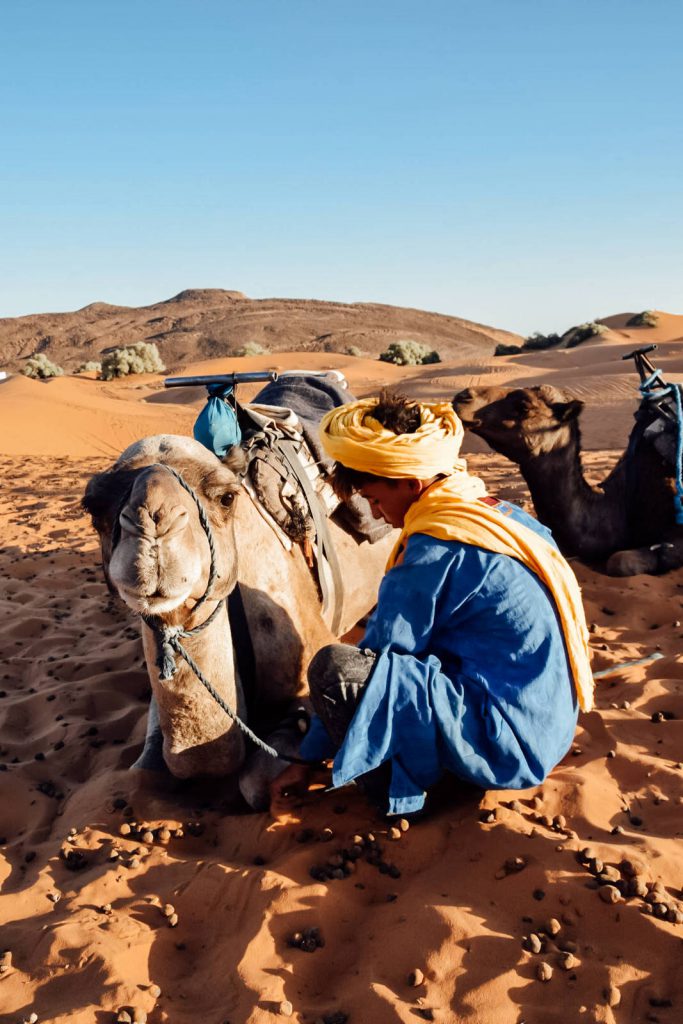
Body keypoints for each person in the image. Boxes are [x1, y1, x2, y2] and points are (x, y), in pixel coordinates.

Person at [271, 391, 593, 817]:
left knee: (336, 671)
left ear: (412, 483)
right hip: (545, 726)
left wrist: (306, 758)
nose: (377, 513)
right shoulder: (495, 513)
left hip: (505, 744)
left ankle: (415, 791)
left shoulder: (433, 547)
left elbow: (382, 655)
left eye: (375, 498)